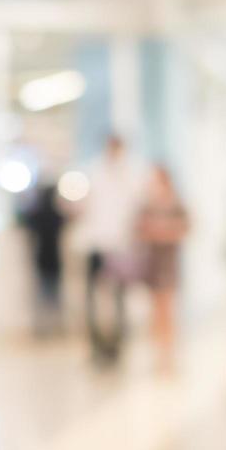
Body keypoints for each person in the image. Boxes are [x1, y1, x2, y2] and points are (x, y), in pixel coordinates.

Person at [80, 135, 146, 366]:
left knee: (118, 298)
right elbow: (83, 205)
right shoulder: (93, 172)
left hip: (120, 245)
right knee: (93, 299)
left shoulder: (133, 175)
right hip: (96, 242)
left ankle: (116, 346)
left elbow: (137, 208)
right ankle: (97, 346)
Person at [138, 165, 191, 369]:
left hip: (169, 260)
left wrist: (165, 231)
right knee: (155, 308)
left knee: (168, 307)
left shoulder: (176, 202)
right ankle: (158, 352)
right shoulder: (147, 203)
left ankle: (169, 353)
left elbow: (186, 227)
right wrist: (154, 232)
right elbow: (140, 229)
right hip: (152, 260)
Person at [20, 182, 68, 337]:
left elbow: (23, 219)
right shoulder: (55, 215)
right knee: (52, 297)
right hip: (53, 261)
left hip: (42, 260)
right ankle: (55, 327)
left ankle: (44, 328)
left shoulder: (38, 214)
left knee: (44, 296)